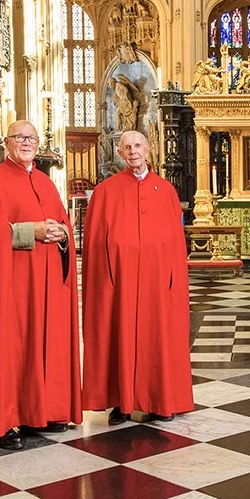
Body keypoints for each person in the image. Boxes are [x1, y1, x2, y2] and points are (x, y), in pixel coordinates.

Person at [0, 121, 81, 449]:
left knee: (45, 343)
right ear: (6, 142)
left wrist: (62, 234)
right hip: (9, 286)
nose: (26, 143)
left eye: (32, 138)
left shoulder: (45, 182)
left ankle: (42, 412)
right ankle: (4, 422)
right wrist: (34, 232)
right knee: (10, 348)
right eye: (19, 137)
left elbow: (63, 223)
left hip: (47, 284)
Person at [81, 129, 194, 423]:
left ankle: (160, 400)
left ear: (149, 149)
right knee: (121, 335)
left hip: (158, 282)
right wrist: (106, 278)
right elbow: (93, 244)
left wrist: (172, 279)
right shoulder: (105, 191)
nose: (133, 151)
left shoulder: (167, 190)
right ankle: (122, 402)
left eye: (137, 146)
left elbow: (175, 242)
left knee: (158, 337)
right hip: (120, 282)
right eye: (127, 147)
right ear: (120, 153)